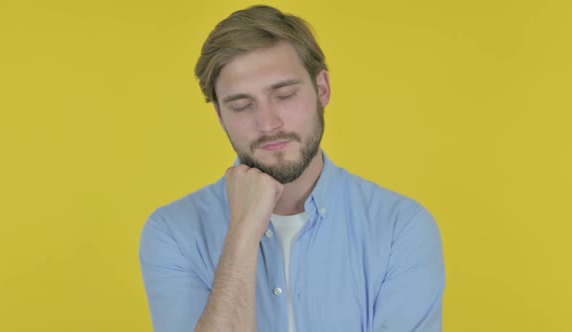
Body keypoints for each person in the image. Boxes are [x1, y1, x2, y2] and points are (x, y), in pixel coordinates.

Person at [139, 5, 445, 332]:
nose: (268, 123)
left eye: (284, 95)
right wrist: (242, 235)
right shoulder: (174, 232)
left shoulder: (401, 228)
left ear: (322, 90)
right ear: (219, 116)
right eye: (241, 105)